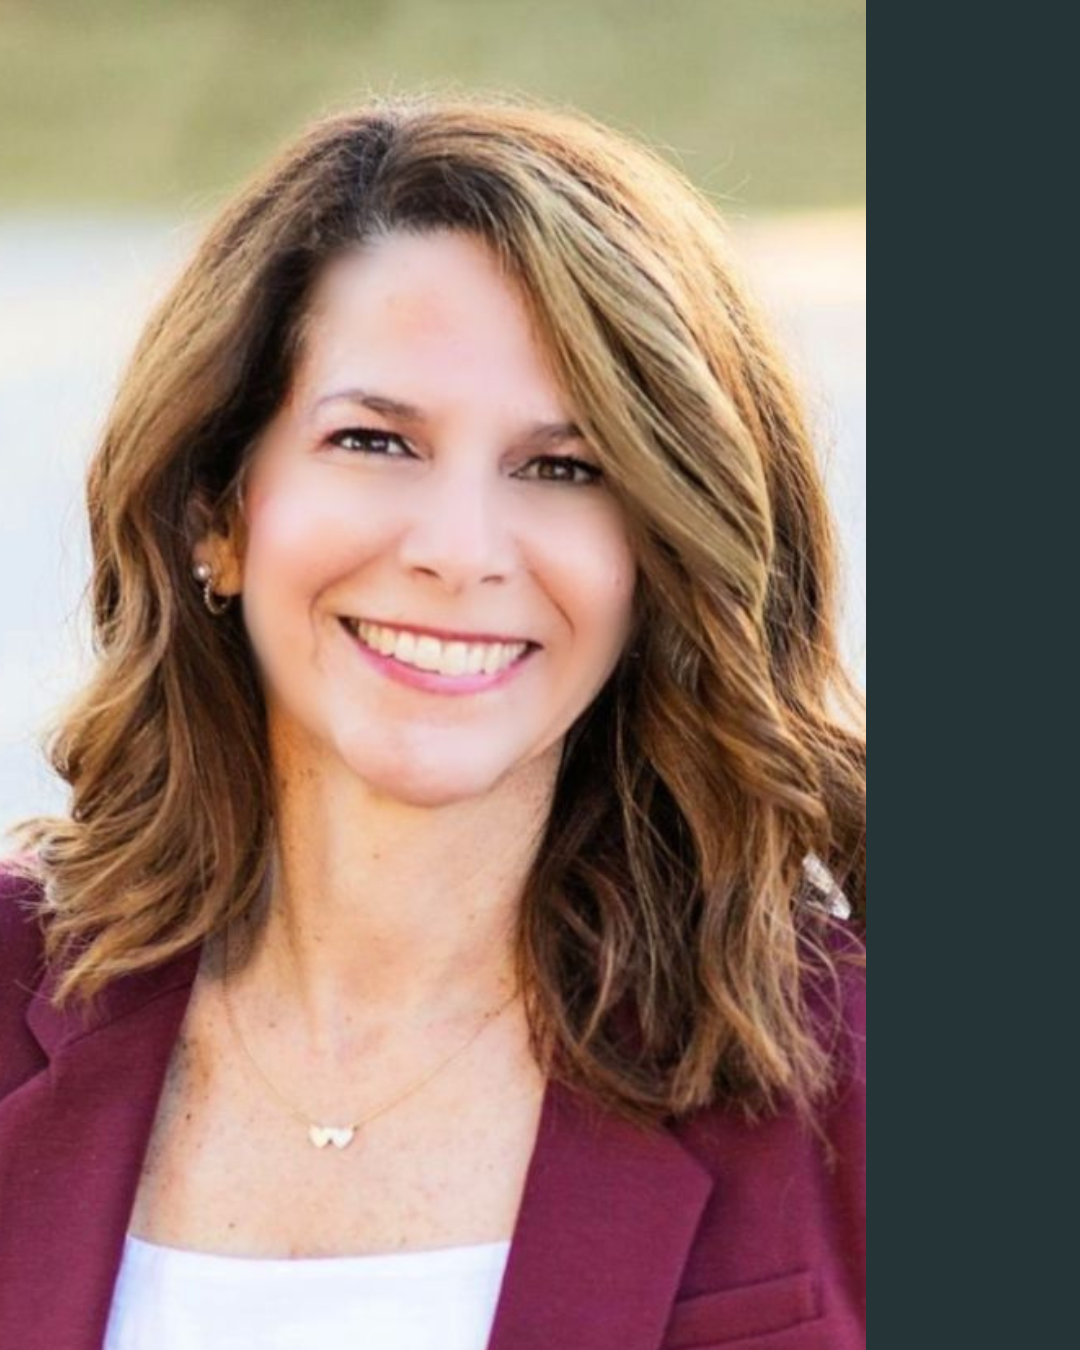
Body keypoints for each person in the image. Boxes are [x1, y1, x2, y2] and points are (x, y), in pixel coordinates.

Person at [0, 91, 865, 1350]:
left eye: (564, 469)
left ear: (665, 553)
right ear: (214, 511)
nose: (460, 552)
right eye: (374, 441)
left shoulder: (851, 1083)